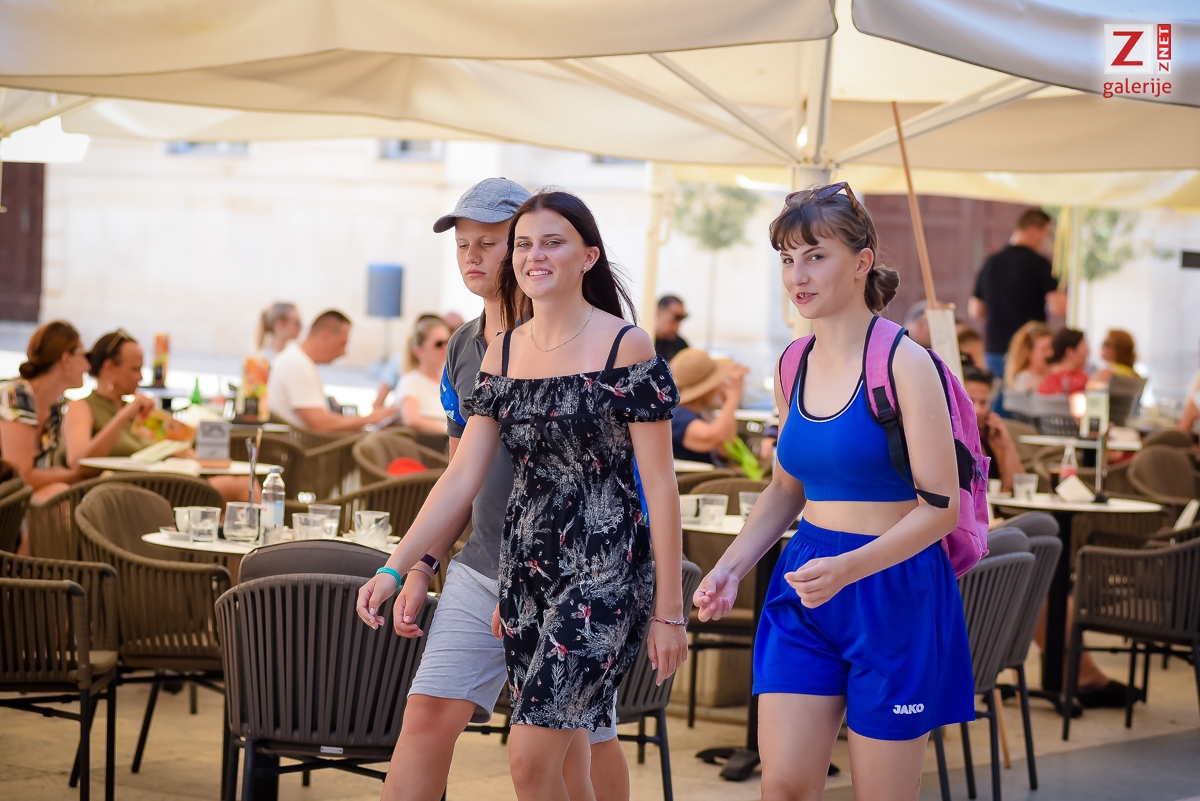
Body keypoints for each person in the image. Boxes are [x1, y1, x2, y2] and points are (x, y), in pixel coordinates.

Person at [358, 190, 687, 801]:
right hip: (519, 574)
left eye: (552, 242)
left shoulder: (627, 346)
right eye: (525, 245)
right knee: (557, 763)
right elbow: (460, 475)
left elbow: (661, 487)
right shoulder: (500, 354)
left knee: (532, 757)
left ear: (589, 256)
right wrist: (397, 565)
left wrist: (670, 612)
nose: (534, 255)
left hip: (603, 573)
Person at [693, 183, 973, 801]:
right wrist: (731, 567)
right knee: (784, 787)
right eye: (787, 259)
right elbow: (785, 488)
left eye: (816, 256)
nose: (798, 275)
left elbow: (941, 508)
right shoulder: (792, 363)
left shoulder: (906, 363)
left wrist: (849, 569)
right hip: (806, 577)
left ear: (861, 262)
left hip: (893, 584)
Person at [61, 330, 249, 502]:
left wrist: (180, 445)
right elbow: (78, 463)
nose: (141, 377)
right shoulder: (83, 407)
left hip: (160, 487)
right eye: (135, 369)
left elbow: (179, 450)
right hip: (118, 495)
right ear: (109, 367)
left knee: (242, 483)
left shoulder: (139, 412)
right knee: (242, 487)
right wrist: (123, 417)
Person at [969, 208, 1067, 382]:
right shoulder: (1040, 264)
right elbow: (1058, 308)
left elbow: (976, 310)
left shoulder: (990, 262)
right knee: (1023, 397)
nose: (1046, 240)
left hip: (995, 348)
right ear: (1034, 231)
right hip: (1027, 352)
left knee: (995, 397)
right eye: (1046, 234)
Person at [0, 321, 89, 510]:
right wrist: (79, 475)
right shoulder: (15, 394)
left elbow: (42, 473)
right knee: (58, 496)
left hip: (16, 505)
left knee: (62, 497)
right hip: (7, 504)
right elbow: (21, 477)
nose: (88, 366)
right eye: (84, 355)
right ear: (66, 359)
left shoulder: (54, 409)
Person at [267, 310, 393, 432]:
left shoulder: (296, 359)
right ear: (325, 336)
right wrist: (370, 419)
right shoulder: (298, 365)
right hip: (306, 444)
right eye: (342, 344)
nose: (344, 353)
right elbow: (320, 424)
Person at [374, 315, 452, 436]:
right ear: (419, 350)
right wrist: (449, 432)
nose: (445, 348)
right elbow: (411, 419)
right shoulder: (410, 381)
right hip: (431, 442)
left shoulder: (451, 380)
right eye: (438, 344)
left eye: (448, 342)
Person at [668, 348, 749, 465]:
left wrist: (728, 402)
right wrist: (733, 398)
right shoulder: (679, 416)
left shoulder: (689, 414)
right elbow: (715, 438)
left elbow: (726, 445)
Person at [962, 365, 1022, 492]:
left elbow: (1017, 487)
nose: (977, 410)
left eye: (983, 403)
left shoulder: (991, 437)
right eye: (970, 401)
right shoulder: (950, 439)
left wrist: (1006, 444)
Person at [1004, 321, 1054, 393]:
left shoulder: (1051, 375)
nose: (1051, 353)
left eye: (1052, 348)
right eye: (1044, 349)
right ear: (1028, 353)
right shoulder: (1025, 380)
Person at [1038, 328, 1090, 396]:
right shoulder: (1080, 380)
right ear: (1070, 352)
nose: (1088, 352)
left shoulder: (1045, 380)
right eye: (1084, 347)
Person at [653, 295, 690, 362]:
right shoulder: (642, 343)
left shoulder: (680, 344)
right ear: (658, 313)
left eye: (681, 319)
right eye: (676, 318)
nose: (678, 325)